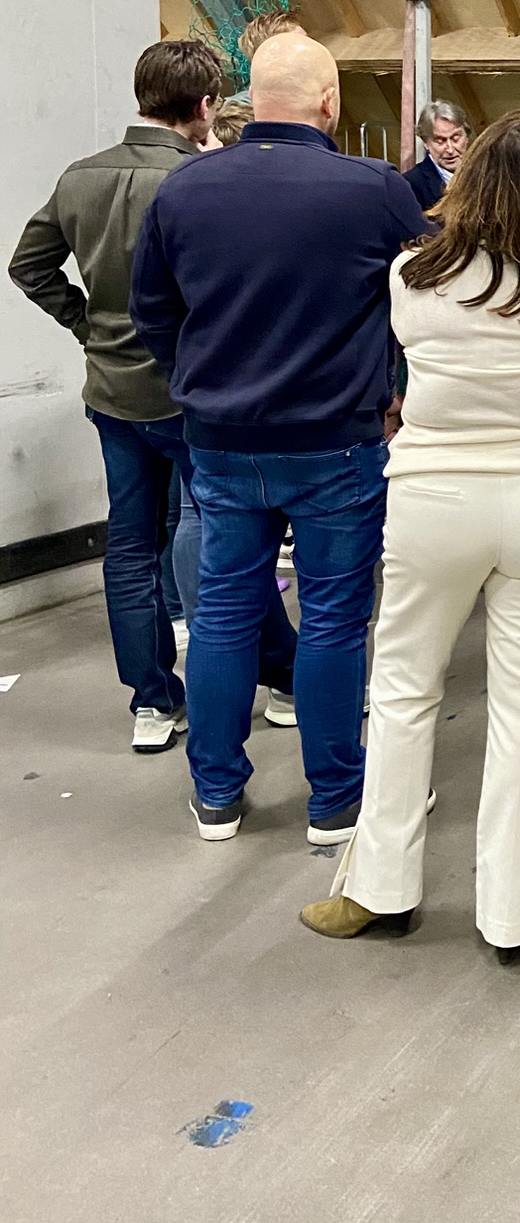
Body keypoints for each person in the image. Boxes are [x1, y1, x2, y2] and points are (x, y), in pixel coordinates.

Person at [299, 113, 520, 950]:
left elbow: (405, 355)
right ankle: (514, 917)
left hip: (435, 500)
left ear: (470, 177)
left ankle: (379, 890)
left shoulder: (412, 274)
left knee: (404, 691)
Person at [130, 32, 428, 841]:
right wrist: (396, 387)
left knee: (224, 612)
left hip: (221, 440)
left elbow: (153, 310)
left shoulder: (184, 190)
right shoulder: (375, 190)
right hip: (338, 441)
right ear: (329, 102)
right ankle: (335, 800)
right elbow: (426, 300)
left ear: (246, 99)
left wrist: (200, 381)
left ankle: (217, 795)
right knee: (333, 616)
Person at [8, 40, 294, 752]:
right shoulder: (202, 181)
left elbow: (29, 266)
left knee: (131, 548)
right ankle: (283, 677)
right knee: (233, 539)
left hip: (112, 394)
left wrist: (87, 326)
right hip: (193, 395)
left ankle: (154, 703)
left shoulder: (81, 177)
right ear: (206, 106)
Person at [404, 100, 472, 212]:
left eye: (455, 139)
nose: (450, 149)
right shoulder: (410, 184)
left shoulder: (485, 174)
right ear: (426, 143)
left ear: (467, 137)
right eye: (440, 141)